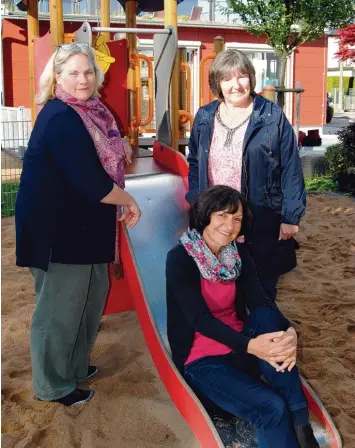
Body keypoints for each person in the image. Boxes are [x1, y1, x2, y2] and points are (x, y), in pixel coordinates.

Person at [15, 43, 141, 406]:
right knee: (60, 308)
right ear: (57, 76)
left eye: (88, 72)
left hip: (85, 224)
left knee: (90, 298)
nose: (82, 79)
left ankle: (74, 365)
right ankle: (53, 385)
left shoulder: (95, 112)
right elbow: (92, 182)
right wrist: (129, 200)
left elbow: (111, 144)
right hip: (57, 229)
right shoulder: (60, 117)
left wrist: (123, 146)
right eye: (73, 72)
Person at [166, 186, 319, 448]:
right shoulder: (180, 258)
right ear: (206, 216)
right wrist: (252, 346)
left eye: (236, 218)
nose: (230, 225)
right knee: (271, 407)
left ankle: (300, 419)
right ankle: (297, 424)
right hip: (203, 358)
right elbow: (199, 319)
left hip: (241, 348)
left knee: (266, 318)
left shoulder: (237, 256)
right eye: (222, 216)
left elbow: (260, 300)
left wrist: (289, 331)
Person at [186, 49, 306, 301]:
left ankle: (262, 333)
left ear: (251, 78)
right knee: (221, 286)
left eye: (242, 77)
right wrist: (196, 200)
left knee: (261, 287)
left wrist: (290, 216)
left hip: (259, 216)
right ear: (217, 83)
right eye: (227, 79)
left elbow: (291, 169)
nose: (236, 85)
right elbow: (195, 161)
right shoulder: (205, 116)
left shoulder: (271, 117)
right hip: (216, 218)